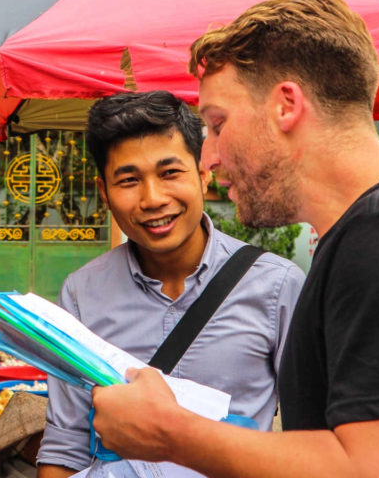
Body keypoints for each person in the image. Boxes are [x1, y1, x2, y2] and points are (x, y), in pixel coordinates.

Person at [91, 0, 379, 477]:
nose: (209, 157)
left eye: (217, 124)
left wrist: (171, 434)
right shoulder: (378, 232)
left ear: (286, 105)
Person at [37, 91, 305, 478]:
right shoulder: (81, 294)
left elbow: (310, 437)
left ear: (203, 174)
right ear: (104, 194)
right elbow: (67, 445)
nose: (153, 198)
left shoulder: (277, 286)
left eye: (170, 173)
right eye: (129, 180)